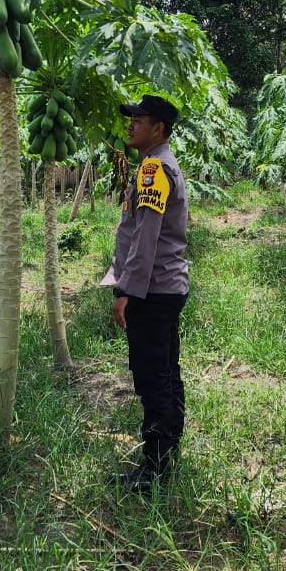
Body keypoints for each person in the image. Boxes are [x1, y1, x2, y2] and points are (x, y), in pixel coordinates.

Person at [106, 94, 189, 492]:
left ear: (158, 128)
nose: (131, 125)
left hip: (152, 290)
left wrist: (127, 291)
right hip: (165, 287)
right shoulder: (156, 165)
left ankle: (154, 468)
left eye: (138, 119)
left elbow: (146, 237)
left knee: (152, 374)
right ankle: (168, 449)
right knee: (166, 370)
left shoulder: (154, 168)